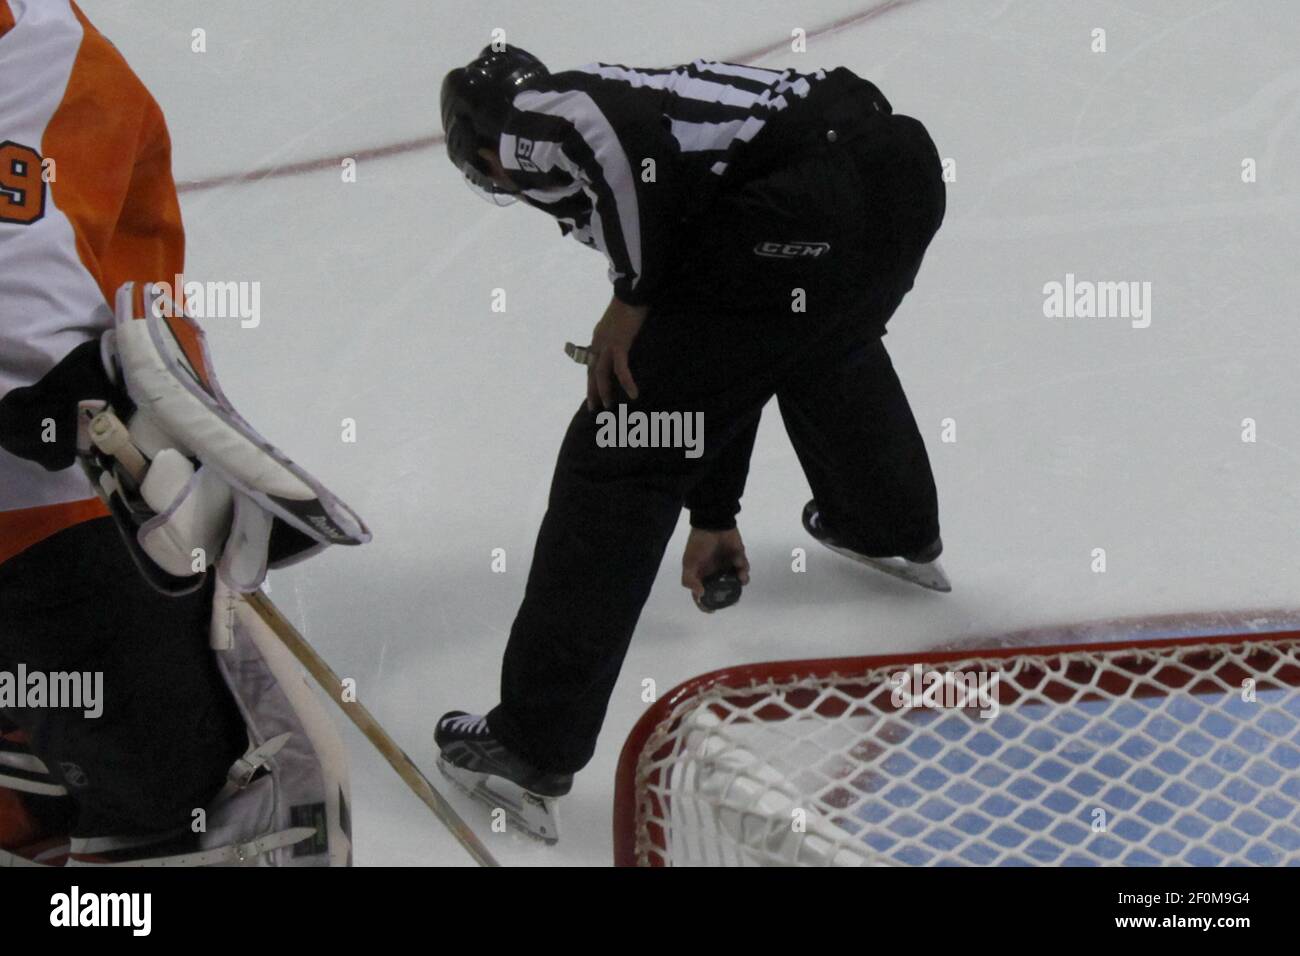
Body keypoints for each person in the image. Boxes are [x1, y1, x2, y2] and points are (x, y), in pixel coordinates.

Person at [435, 45, 947, 838]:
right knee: (812, 343)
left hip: (810, 194)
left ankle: (531, 745)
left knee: (619, 452)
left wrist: (631, 301)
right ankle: (889, 524)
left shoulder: (533, 116)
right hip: (897, 180)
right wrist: (713, 511)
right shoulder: (677, 137)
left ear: (478, 151)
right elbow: (722, 354)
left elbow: (613, 136)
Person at [0, 0, 359, 866]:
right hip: (55, 525)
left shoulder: (63, 59)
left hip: (67, 513)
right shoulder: (51, 53)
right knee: (190, 809)